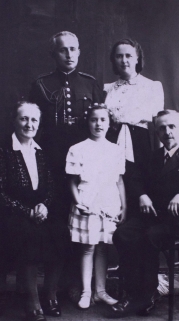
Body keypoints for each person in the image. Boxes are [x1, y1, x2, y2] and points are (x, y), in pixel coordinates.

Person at [110, 110, 179, 317]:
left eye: (172, 127)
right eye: (162, 128)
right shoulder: (154, 157)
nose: (167, 132)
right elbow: (135, 178)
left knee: (150, 237)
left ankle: (144, 295)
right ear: (157, 133)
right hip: (155, 215)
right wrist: (142, 195)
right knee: (123, 234)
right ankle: (135, 291)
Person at [0, 101, 69, 321]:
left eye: (34, 120)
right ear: (14, 120)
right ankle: (32, 305)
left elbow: (50, 187)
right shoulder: (4, 150)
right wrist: (27, 211)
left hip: (39, 212)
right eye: (24, 119)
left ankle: (49, 296)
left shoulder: (40, 151)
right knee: (28, 236)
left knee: (60, 231)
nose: (29, 124)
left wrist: (44, 206)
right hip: (10, 214)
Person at [29, 31, 103, 215]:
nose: (69, 55)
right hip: (52, 154)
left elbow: (101, 121)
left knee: (85, 204)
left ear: (79, 52)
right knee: (55, 206)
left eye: (72, 49)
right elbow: (33, 123)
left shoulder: (90, 84)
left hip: (85, 155)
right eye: (63, 50)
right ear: (53, 53)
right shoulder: (41, 84)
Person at [65, 103, 126, 309]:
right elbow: (72, 182)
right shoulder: (77, 149)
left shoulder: (116, 150)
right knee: (88, 247)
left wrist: (123, 206)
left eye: (103, 120)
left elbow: (119, 181)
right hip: (86, 202)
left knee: (103, 247)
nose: (98, 124)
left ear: (110, 123)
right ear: (87, 122)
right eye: (93, 119)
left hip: (109, 202)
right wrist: (79, 202)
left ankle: (101, 291)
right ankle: (86, 292)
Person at [104, 38, 164, 208]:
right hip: (111, 139)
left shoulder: (152, 86)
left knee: (138, 185)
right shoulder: (107, 88)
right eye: (119, 56)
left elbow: (157, 124)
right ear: (114, 60)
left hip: (139, 142)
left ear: (137, 58)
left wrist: (159, 155)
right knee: (113, 184)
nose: (124, 60)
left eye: (129, 56)